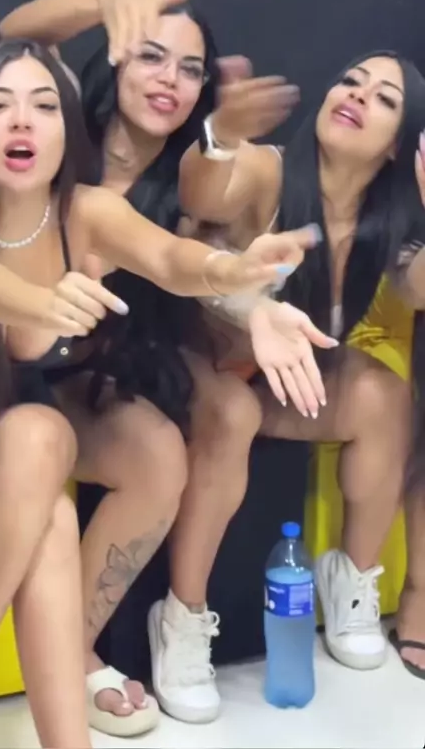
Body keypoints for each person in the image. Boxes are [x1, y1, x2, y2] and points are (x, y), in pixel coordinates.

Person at [0, 35, 319, 743]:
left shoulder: (84, 211)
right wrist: (41, 303)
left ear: (67, 130)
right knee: (42, 458)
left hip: (12, 456)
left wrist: (238, 274)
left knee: (45, 469)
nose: (22, 121)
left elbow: (170, 258)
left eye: (43, 106)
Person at [177, 51, 425, 687]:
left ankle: (351, 584)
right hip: (198, 366)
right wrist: (221, 134)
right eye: (350, 81)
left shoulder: (389, 219)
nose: (358, 95)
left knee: (386, 396)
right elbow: (200, 194)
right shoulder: (269, 169)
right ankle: (182, 618)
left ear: (397, 146)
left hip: (281, 384)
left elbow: (420, 289)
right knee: (232, 410)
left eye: (385, 98)